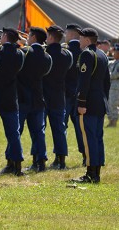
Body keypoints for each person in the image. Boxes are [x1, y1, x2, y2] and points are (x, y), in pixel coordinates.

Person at [73, 28, 110, 184]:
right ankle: (96, 172)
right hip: (100, 102)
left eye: (80, 38)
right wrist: (104, 100)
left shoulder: (87, 54)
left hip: (88, 103)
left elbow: (84, 81)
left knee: (89, 139)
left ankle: (90, 174)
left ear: (87, 40)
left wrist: (81, 102)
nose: (79, 41)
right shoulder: (102, 55)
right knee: (97, 137)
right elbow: (106, 82)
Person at [0, 27, 25, 176]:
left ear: (4, 36)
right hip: (11, 98)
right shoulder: (20, 54)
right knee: (13, 134)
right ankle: (17, 166)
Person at [17, 27, 52, 172]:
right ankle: (41, 161)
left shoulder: (24, 53)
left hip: (23, 97)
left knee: (16, 132)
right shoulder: (46, 56)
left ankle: (14, 161)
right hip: (38, 97)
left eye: (29, 36)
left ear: (33, 37)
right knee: (39, 132)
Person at [43, 25, 73, 169]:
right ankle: (61, 159)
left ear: (50, 37)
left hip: (44, 95)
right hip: (59, 95)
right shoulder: (67, 54)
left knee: (40, 128)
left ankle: (39, 158)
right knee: (59, 129)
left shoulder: (45, 53)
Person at [63, 23, 85, 165]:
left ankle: (60, 158)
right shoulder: (85, 52)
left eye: (66, 34)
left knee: (61, 127)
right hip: (79, 95)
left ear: (71, 35)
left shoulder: (64, 52)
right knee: (80, 128)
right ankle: (85, 155)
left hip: (64, 94)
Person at [107, 46, 119, 127]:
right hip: (110, 85)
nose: (114, 54)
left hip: (116, 86)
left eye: (116, 53)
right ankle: (110, 120)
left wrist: (106, 76)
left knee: (114, 103)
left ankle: (114, 120)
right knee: (109, 103)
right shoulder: (112, 62)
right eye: (114, 52)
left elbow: (116, 75)